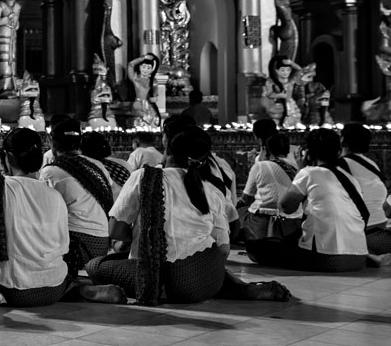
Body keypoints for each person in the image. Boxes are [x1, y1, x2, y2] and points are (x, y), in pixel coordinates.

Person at [87, 127, 290, 304]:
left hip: (172, 281)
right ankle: (240, 288)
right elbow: (222, 248)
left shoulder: (144, 177)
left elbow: (115, 229)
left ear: (167, 151)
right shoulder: (212, 188)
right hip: (211, 277)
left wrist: (146, 238)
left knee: (96, 266)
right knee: (186, 258)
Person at [0, 128, 125, 307]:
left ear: (6, 157)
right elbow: (63, 245)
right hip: (54, 287)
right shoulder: (53, 195)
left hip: (12, 290)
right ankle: (76, 289)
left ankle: (76, 290)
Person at [247, 129, 378, 272]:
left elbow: (285, 207)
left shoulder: (309, 172)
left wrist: (301, 170)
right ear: (338, 151)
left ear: (308, 152)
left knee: (257, 248)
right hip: (358, 257)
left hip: (325, 258)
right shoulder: (349, 177)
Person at [40, 119, 115, 272]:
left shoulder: (51, 172)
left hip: (76, 245)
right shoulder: (98, 166)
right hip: (102, 242)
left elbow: (45, 212)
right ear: (80, 141)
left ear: (51, 142)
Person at [238, 133, 303, 242]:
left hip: (265, 221)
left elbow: (246, 199)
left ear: (265, 150)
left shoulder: (260, 165)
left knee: (239, 212)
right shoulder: (295, 166)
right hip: (294, 221)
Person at [339, 123, 391, 256]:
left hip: (363, 230)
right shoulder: (371, 163)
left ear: (343, 140)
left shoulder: (340, 165)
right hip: (380, 226)